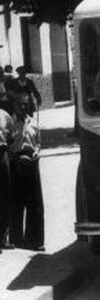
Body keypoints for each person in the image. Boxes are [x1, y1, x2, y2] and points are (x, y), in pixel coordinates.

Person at [9, 93, 45, 251]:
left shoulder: (34, 123)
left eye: (25, 105)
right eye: (20, 105)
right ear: (15, 106)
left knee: (35, 203)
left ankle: (35, 240)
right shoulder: (9, 123)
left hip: (31, 162)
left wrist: (37, 151)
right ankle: (16, 239)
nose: (23, 107)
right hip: (16, 162)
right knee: (16, 201)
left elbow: (38, 143)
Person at [0, 106, 14, 250]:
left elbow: (11, 136)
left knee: (5, 195)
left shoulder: (4, 115)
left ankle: (3, 238)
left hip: (2, 154)